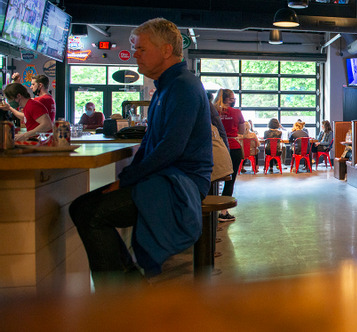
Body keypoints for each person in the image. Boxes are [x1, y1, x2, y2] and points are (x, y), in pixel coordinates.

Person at [69, 18, 212, 287]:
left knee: (88, 212)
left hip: (182, 183)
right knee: (83, 208)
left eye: (141, 49)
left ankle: (120, 299)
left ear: (167, 50)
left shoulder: (183, 86)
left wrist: (126, 180)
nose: (134, 54)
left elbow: (170, 148)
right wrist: (127, 178)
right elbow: (151, 144)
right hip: (168, 177)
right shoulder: (166, 87)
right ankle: (128, 290)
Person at [214, 88, 245, 222]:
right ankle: (223, 211)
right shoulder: (237, 112)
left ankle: (209, 207)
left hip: (215, 147)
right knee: (230, 179)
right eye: (233, 98)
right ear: (229, 99)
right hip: (233, 147)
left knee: (211, 178)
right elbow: (242, 131)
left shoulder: (213, 111)